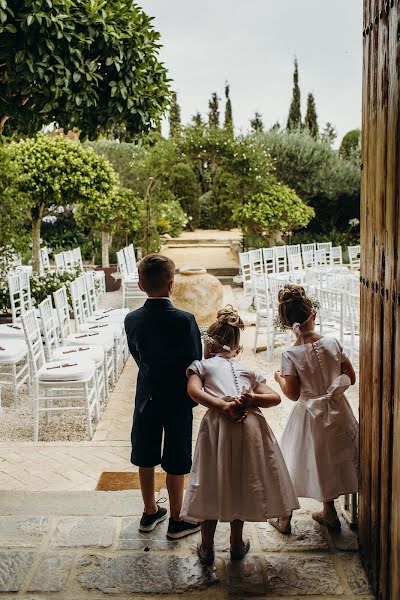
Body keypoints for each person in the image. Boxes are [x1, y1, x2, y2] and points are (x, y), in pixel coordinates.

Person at [180, 306, 299, 565]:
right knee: (241, 483)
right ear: (235, 348)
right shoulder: (247, 370)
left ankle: (207, 546)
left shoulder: (200, 365)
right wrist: (251, 398)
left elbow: (193, 391)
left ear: (208, 344)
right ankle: (235, 544)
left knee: (212, 481)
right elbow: (275, 398)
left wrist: (222, 405)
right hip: (250, 428)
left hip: (218, 429)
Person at [124, 254, 202, 539]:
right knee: (177, 457)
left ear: (141, 284)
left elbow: (138, 356)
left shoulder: (132, 320)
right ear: (172, 285)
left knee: (145, 453)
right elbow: (195, 362)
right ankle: (177, 518)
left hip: (147, 396)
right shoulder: (185, 320)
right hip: (178, 398)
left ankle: (148, 512)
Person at [271, 284, 358, 534]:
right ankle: (329, 510)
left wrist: (279, 379)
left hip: (309, 414)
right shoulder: (332, 342)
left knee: (294, 460)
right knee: (331, 456)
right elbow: (350, 376)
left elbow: (293, 393)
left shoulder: (291, 353)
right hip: (338, 409)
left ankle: (285, 517)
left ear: (287, 324)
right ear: (314, 316)